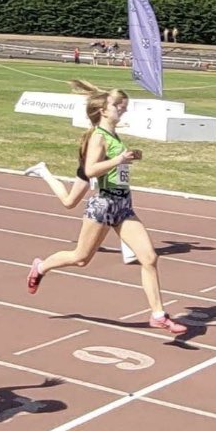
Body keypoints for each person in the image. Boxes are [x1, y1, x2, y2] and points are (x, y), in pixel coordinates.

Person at [25, 81, 187, 335]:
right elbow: (90, 170)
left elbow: (114, 167)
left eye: (124, 106)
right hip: (102, 205)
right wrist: (119, 159)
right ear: (103, 110)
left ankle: (158, 314)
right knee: (80, 259)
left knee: (149, 257)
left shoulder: (113, 135)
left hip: (123, 204)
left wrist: (128, 159)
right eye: (117, 106)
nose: (122, 110)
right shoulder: (98, 137)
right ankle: (41, 267)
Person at [24, 161, 137, 264]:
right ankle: (43, 172)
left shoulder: (117, 146)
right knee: (69, 202)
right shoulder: (98, 141)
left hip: (115, 166)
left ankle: (128, 248)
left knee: (121, 200)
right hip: (92, 167)